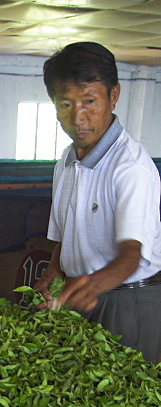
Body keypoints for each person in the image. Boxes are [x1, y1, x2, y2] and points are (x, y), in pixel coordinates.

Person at [33, 41, 161, 363]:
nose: (79, 117)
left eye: (90, 101)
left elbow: (132, 255)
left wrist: (88, 286)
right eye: (65, 104)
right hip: (84, 295)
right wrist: (54, 270)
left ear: (113, 95)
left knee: (122, 401)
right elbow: (68, 234)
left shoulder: (130, 167)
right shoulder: (66, 160)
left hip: (127, 300)